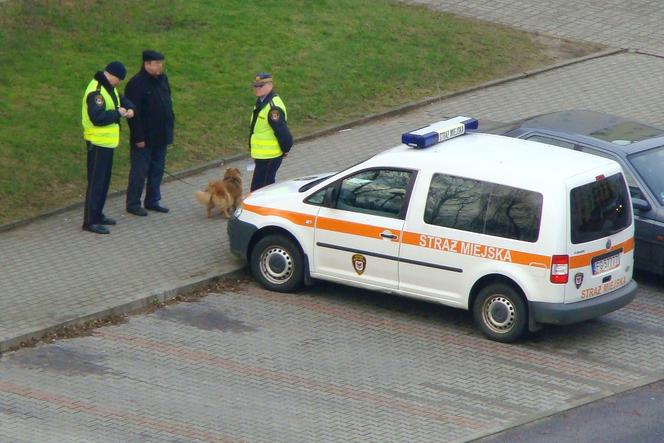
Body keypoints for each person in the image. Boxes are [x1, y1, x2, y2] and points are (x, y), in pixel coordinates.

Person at [81, 61, 135, 235]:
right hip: (97, 143)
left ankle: (98, 214)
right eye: (118, 79)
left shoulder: (108, 88)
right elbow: (97, 117)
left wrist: (130, 107)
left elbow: (120, 99)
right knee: (96, 183)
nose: (119, 82)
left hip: (107, 143)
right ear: (110, 74)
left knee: (104, 182)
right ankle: (90, 221)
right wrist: (117, 114)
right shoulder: (96, 92)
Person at [124, 49, 175, 216]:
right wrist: (138, 137)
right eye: (157, 63)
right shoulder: (136, 84)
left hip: (161, 134)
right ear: (147, 64)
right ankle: (133, 203)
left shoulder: (162, 79)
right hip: (144, 138)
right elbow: (133, 115)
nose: (160, 66)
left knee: (157, 170)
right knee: (140, 171)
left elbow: (167, 103)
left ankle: (152, 200)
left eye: (161, 63)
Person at [249, 72, 293, 191]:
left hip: (270, 157)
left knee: (260, 191)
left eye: (261, 86)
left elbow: (284, 134)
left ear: (270, 85)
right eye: (255, 86)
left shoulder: (273, 108)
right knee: (261, 190)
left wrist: (285, 150)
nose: (257, 89)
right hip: (262, 156)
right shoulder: (262, 102)